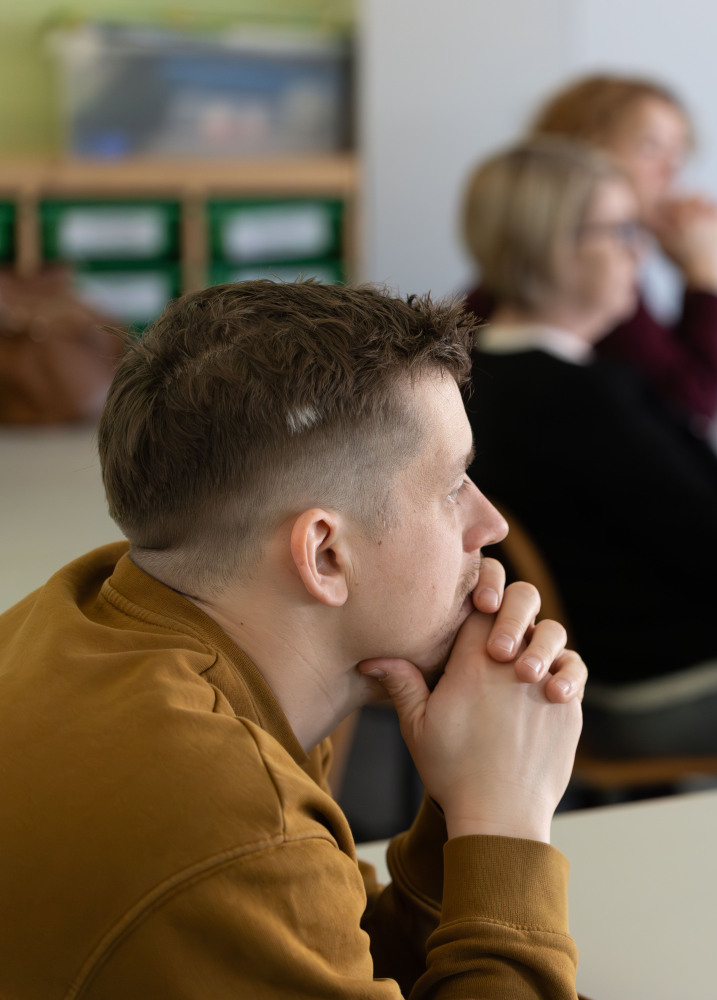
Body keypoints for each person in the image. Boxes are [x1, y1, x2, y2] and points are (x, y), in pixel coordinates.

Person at [0, 281, 589, 998]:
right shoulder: (227, 818)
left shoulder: (87, 616)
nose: (490, 523)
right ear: (325, 555)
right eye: (452, 485)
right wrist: (508, 825)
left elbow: (330, 950)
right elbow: (256, 869)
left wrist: (466, 803)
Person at [460, 138, 717, 760]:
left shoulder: (464, 378)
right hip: (668, 691)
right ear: (555, 245)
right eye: (622, 229)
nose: (641, 250)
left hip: (586, 678)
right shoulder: (586, 398)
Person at [465, 74, 717, 426]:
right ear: (580, 156)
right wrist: (706, 278)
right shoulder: (580, 280)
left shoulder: (551, 266)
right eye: (651, 147)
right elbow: (692, 407)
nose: (672, 172)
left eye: (679, 153)